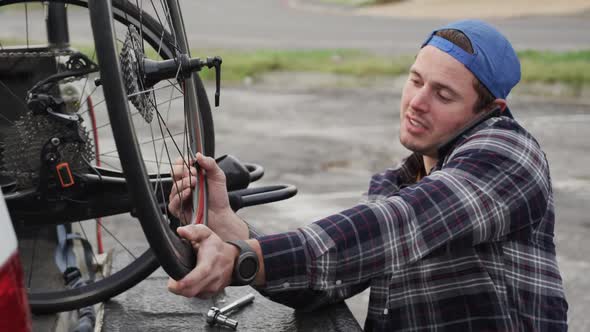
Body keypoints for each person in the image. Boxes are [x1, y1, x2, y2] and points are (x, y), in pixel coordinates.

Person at [166, 19, 568, 331]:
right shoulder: (395, 184)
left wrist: (242, 258)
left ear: (488, 110)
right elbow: (329, 278)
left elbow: (398, 225)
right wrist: (228, 225)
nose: (417, 103)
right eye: (415, 81)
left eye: (443, 95)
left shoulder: (508, 153)